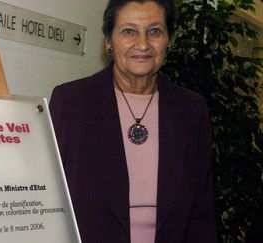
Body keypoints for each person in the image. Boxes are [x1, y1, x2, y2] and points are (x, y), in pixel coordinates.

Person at [49, 0, 217, 242]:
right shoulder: (71, 102)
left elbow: (202, 211)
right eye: (129, 31)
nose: (143, 44)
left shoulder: (191, 110)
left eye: (155, 31)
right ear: (109, 40)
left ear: (169, 40)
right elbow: (51, 200)